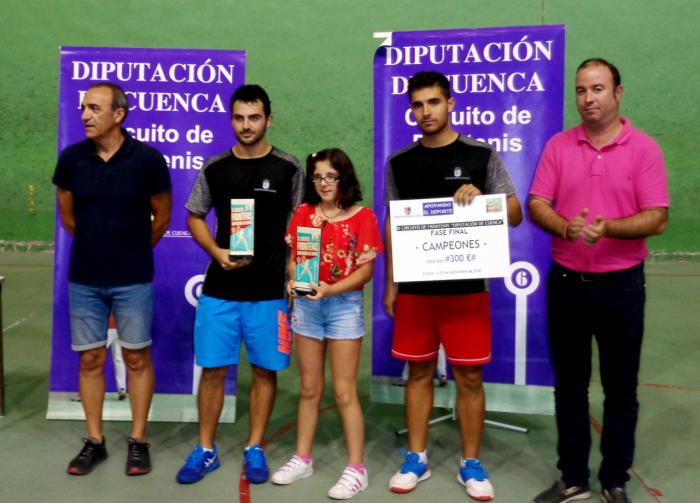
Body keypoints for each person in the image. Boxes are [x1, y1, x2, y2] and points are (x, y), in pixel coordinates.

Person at [529, 58, 669, 503]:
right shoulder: (558, 145)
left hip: (622, 286)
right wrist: (564, 226)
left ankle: (614, 480)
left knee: (620, 388)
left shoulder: (644, 149)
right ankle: (573, 477)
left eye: (597, 89)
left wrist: (608, 227)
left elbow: (657, 218)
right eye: (581, 91)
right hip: (567, 283)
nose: (588, 99)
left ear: (618, 92)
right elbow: (537, 203)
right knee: (568, 385)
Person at [383, 71, 522, 500]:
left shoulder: (481, 155)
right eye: (418, 105)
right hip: (417, 292)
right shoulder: (401, 163)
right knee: (419, 371)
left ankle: (471, 463)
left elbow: (514, 213)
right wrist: (391, 283)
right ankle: (416, 457)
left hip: (466, 290)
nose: (425, 112)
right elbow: (392, 223)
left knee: (469, 376)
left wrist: (483, 199)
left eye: (433, 103)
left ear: (451, 104)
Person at [176, 84, 304, 485]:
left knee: (265, 372)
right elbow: (194, 215)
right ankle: (206, 449)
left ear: (268, 119)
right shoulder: (215, 167)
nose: (246, 125)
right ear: (231, 119)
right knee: (213, 371)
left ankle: (254, 447)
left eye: (254, 117)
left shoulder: (289, 168)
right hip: (220, 292)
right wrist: (215, 251)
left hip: (269, 294)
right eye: (239, 117)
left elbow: (302, 227)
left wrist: (295, 279)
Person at [53, 82, 172, 476]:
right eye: (83, 107)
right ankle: (95, 441)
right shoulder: (71, 159)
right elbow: (68, 218)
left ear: (118, 114)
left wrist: (130, 250)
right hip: (84, 278)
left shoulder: (148, 160)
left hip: (133, 278)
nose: (85, 114)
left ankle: (138, 441)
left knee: (136, 358)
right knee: (90, 359)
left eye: (94, 108)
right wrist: (98, 245)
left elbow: (163, 217)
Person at [270, 148, 383, 499]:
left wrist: (331, 288)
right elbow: (294, 261)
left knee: (344, 391)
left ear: (344, 177)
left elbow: (365, 271)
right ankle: (303, 458)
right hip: (307, 307)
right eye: (317, 177)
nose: (323, 183)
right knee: (309, 389)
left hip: (344, 307)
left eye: (330, 176)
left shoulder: (363, 217)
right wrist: (293, 280)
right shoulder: (304, 214)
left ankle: (356, 469)